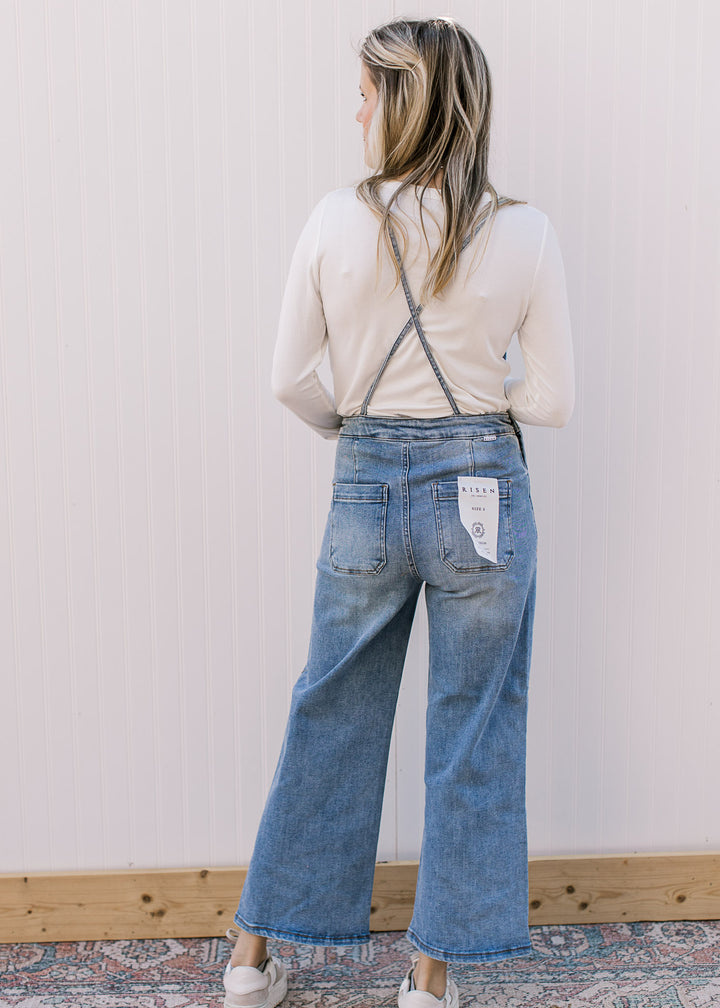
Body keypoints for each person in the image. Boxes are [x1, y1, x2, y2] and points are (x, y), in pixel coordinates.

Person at [222, 16, 574, 1008]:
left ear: (405, 102)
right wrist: (479, 405)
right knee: (472, 730)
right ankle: (428, 979)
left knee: (329, 710)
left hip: (366, 479)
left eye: (368, 94)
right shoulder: (524, 231)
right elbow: (553, 402)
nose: (357, 112)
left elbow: (289, 378)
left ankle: (250, 959)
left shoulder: (334, 220)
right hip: (482, 486)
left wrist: (362, 432)